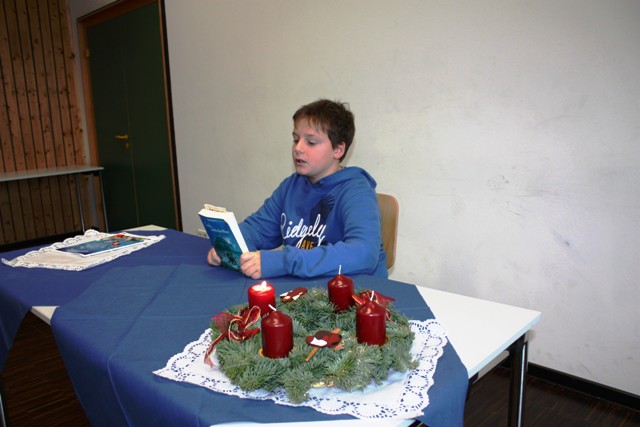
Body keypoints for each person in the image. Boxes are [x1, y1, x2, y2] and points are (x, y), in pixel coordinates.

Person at [207, 99, 387, 279]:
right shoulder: (291, 186)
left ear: (338, 149)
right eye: (296, 139)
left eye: (311, 142)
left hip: (353, 289)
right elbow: (257, 229)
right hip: (303, 287)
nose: (298, 148)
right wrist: (228, 243)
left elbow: (364, 254)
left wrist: (284, 262)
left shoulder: (357, 192)